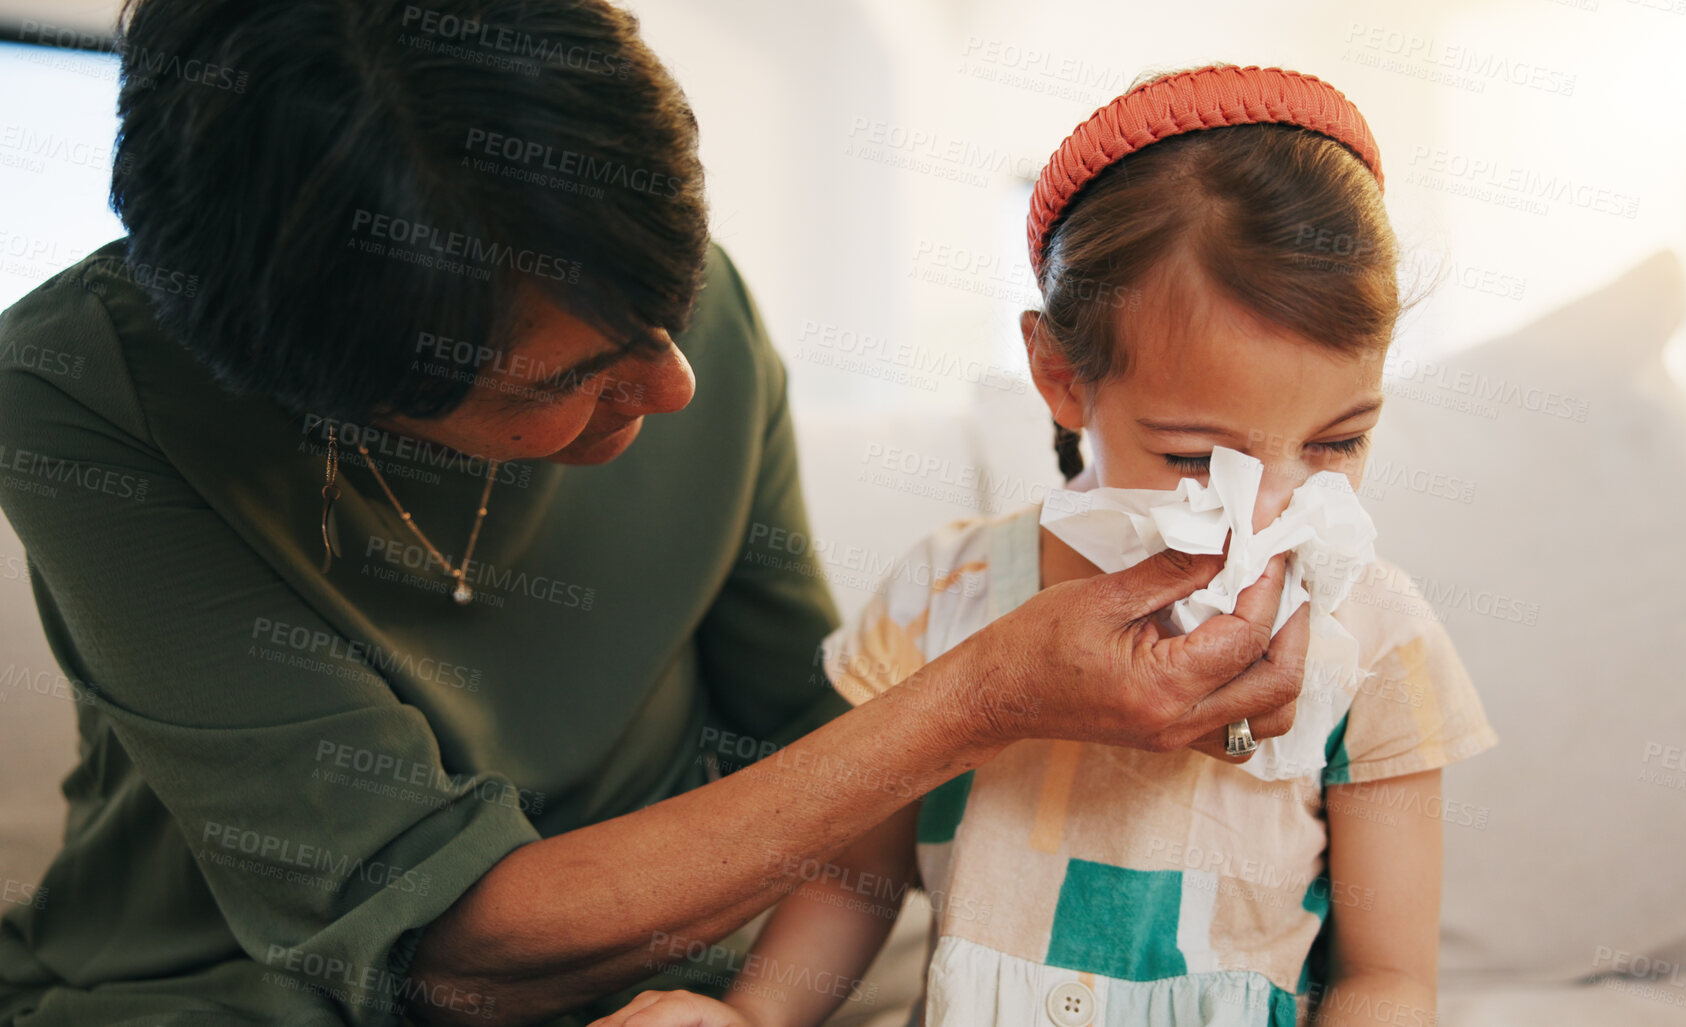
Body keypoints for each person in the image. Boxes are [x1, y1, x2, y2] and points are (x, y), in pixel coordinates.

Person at [0, 7, 1310, 1026]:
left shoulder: (694, 328)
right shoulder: (78, 392)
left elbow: (793, 732)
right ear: (340, 392)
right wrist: (985, 694)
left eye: (668, 305)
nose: (674, 385)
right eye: (566, 380)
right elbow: (449, 946)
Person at [599, 65, 1499, 1027]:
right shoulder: (949, 592)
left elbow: (1387, 977)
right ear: (1060, 375)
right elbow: (855, 878)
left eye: (1337, 441)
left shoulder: (1376, 638)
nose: (1270, 506)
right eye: (1197, 455)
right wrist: (751, 1016)